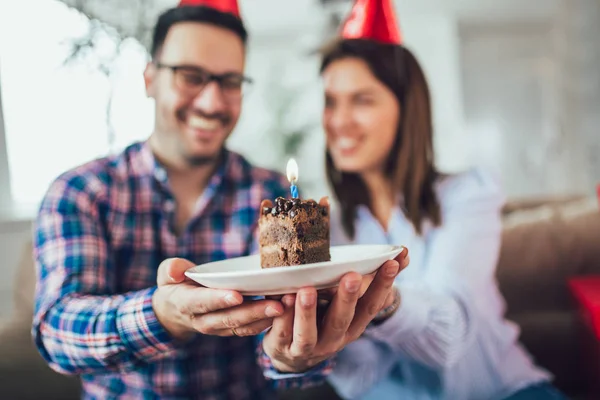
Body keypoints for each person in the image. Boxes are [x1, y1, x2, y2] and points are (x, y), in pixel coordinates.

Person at [31, 0, 408, 398]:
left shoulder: (270, 196)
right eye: (190, 76)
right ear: (149, 79)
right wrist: (164, 314)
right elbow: (57, 333)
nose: (212, 102)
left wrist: (292, 356)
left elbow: (284, 350)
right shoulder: (81, 193)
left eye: (230, 82)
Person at [316, 0, 568, 399]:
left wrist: (379, 298)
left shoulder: (469, 194)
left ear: (406, 109)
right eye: (331, 101)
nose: (338, 120)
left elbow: (448, 338)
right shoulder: (330, 229)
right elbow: (358, 378)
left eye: (361, 99)